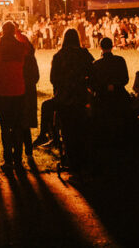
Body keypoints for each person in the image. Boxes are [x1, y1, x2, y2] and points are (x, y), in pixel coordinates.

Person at [0, 21, 32, 174]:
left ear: (4, 32)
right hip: (18, 90)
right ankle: (18, 159)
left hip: (2, 92)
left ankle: (8, 160)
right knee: (17, 126)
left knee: (5, 127)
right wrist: (18, 33)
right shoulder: (20, 46)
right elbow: (30, 48)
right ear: (13, 32)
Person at [50, 28, 93, 174]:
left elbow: (53, 79)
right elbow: (93, 74)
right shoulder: (84, 55)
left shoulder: (59, 56)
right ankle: (83, 161)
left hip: (64, 98)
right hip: (81, 98)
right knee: (81, 130)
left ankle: (72, 162)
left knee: (67, 132)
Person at [90, 37, 129, 148]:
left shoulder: (96, 64)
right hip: (119, 96)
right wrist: (115, 85)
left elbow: (93, 84)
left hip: (102, 99)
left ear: (100, 47)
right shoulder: (120, 60)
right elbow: (125, 79)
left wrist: (105, 87)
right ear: (112, 46)